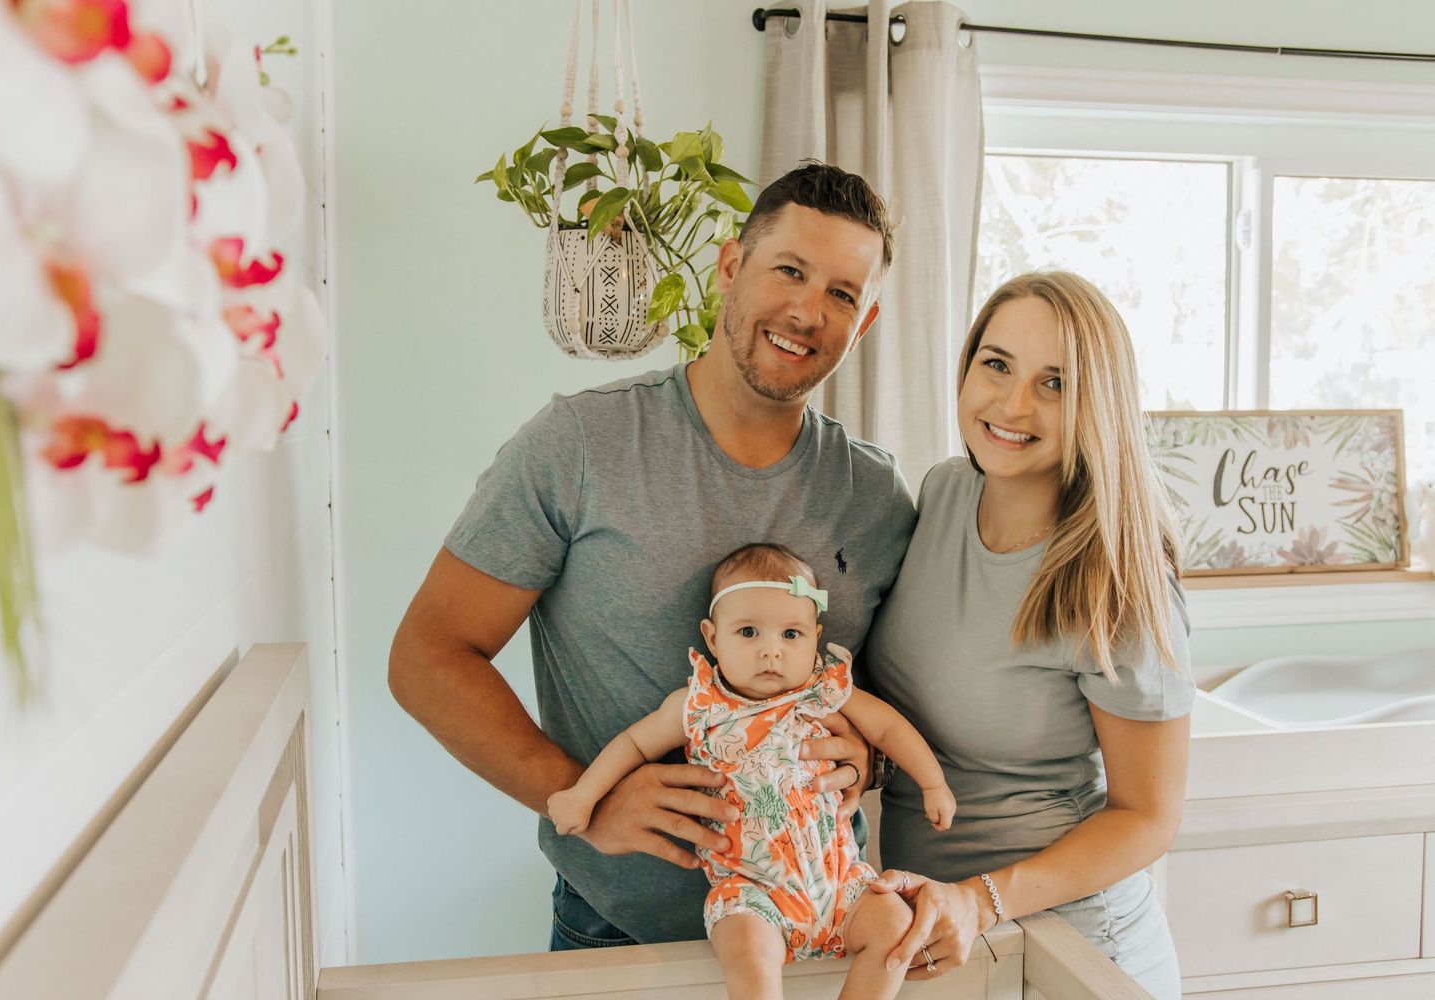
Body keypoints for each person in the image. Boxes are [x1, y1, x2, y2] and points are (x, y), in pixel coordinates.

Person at [388, 162, 918, 949]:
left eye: (842, 294)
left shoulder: (874, 495)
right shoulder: (579, 446)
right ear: (731, 266)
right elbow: (426, 659)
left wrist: (870, 758)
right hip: (616, 928)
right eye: (789, 271)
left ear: (864, 322)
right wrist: (583, 796)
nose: (808, 312)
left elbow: (880, 697)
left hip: (822, 927)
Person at [861, 271, 1194, 998]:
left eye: (1055, 383)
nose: (1013, 405)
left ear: (1097, 404)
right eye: (997, 365)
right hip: (940, 933)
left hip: (1067, 945)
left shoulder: (1115, 578)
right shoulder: (945, 493)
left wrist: (980, 899)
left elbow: (1147, 817)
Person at [547, 543, 954, 999]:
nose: (771, 652)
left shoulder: (823, 692)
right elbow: (633, 744)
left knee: (896, 927)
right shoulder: (699, 706)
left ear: (816, 637)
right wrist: (583, 794)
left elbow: (888, 727)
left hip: (840, 884)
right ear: (712, 637)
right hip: (752, 892)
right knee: (746, 954)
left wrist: (933, 782)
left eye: (791, 634)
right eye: (748, 632)